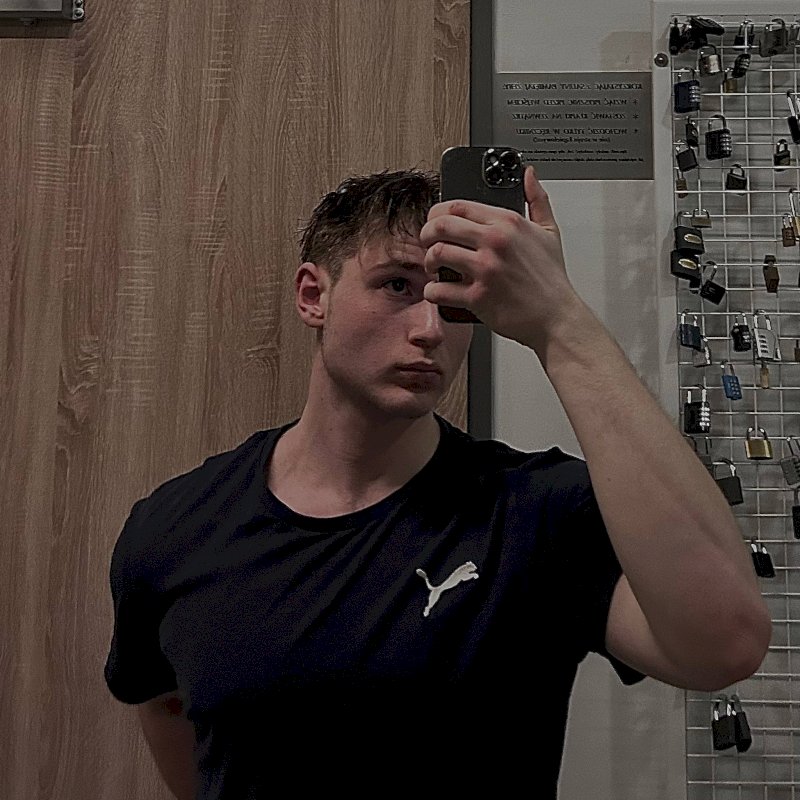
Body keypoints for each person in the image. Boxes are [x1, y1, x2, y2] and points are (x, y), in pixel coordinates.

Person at [104, 166, 771, 799]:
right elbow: (169, 713)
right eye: (397, 286)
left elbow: (724, 644)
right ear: (314, 295)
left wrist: (560, 323)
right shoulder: (177, 525)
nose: (429, 329)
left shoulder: (536, 513)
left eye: (453, 296)